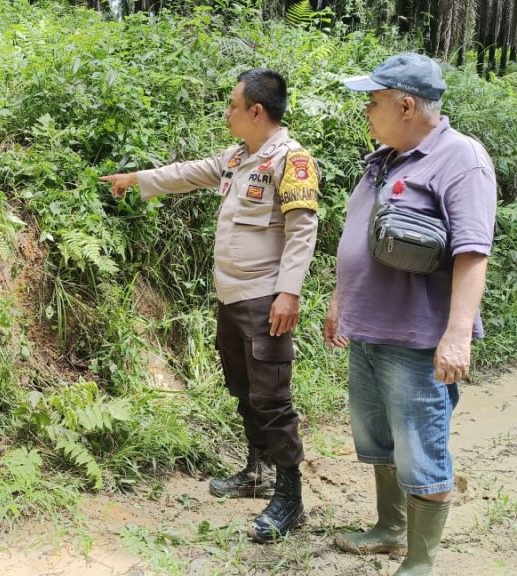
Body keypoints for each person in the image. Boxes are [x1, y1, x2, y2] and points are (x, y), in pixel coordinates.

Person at [101, 68, 320, 543]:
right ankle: (257, 470)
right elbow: (186, 173)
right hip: (232, 297)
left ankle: (290, 496)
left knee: (272, 399)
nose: (227, 112)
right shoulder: (237, 157)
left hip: (266, 299)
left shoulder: (292, 160)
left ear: (256, 111)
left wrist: (290, 292)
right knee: (244, 390)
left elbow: (302, 231)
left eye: (232, 105)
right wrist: (136, 178)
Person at [325, 53, 497, 575]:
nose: (367, 112)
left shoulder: (460, 158)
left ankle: (419, 563)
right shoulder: (384, 158)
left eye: (373, 102)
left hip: (417, 339)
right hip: (369, 331)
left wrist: (457, 336)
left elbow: (472, 252)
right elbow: (356, 235)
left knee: (421, 450)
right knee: (377, 440)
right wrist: (339, 301)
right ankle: (390, 530)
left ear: (405, 103)